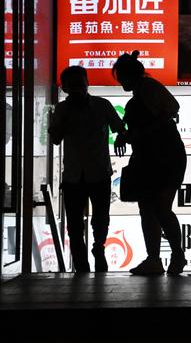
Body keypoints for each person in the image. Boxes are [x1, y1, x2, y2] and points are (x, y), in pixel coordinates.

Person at [113, 51, 187, 276]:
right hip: (153, 158)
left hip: (163, 157)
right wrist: (128, 135)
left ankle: (174, 255)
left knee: (159, 208)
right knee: (150, 209)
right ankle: (157, 258)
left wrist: (134, 135)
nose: (120, 82)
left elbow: (170, 111)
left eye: (121, 77)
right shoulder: (142, 92)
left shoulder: (148, 89)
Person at [48, 65, 124, 272]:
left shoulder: (102, 105)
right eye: (73, 86)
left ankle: (98, 249)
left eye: (80, 84)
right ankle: (82, 264)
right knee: (74, 224)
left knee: (101, 218)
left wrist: (121, 139)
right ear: (65, 89)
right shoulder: (62, 109)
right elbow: (55, 139)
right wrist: (63, 117)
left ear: (87, 83)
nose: (78, 89)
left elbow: (120, 129)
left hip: (98, 172)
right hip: (74, 175)